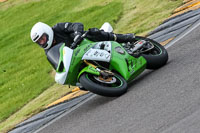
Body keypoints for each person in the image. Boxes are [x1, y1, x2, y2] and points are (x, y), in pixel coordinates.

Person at [30, 22, 136, 53]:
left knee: (93, 32)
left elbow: (76, 25)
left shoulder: (58, 28)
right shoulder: (49, 51)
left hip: (85, 41)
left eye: (42, 38)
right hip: (78, 54)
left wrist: (77, 35)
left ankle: (124, 38)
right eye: (39, 41)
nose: (42, 42)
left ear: (47, 32)